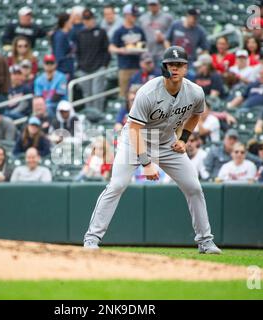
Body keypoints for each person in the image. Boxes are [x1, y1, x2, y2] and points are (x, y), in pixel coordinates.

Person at [83, 46, 222, 254]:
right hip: (134, 141)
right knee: (117, 185)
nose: (175, 68)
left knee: (193, 187)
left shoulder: (195, 91)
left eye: (180, 65)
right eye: (171, 64)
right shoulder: (147, 92)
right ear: (164, 67)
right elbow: (134, 130)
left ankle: (206, 241)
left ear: (186, 68)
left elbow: (196, 115)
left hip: (167, 142)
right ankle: (91, 239)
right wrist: (147, 163)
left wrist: (184, 139)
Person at [76, 9, 110, 111]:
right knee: (87, 95)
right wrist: (80, 65)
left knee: (97, 94)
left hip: (98, 67)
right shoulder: (80, 33)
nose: (88, 21)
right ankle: (89, 117)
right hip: (84, 69)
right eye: (86, 19)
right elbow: (77, 51)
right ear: (83, 21)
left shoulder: (101, 32)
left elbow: (106, 50)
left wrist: (104, 65)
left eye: (90, 19)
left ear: (93, 19)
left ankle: (98, 116)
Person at [110, 4, 146, 97]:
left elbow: (144, 45)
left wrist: (140, 48)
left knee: (138, 94)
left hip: (138, 66)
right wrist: (120, 50)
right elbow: (111, 47)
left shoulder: (139, 30)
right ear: (126, 15)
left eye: (135, 15)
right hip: (124, 66)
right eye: (133, 15)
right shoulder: (119, 31)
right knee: (124, 94)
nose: (135, 17)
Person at [34, 54, 68, 119]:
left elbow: (59, 95)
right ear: (43, 65)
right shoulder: (38, 80)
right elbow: (38, 96)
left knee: (48, 108)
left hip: (60, 104)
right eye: (47, 63)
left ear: (55, 64)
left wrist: (45, 105)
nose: (49, 65)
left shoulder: (61, 77)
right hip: (45, 106)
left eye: (51, 63)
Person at [51, 13, 75, 80]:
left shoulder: (67, 34)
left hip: (69, 67)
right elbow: (59, 56)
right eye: (71, 21)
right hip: (63, 70)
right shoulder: (60, 36)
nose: (72, 23)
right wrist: (64, 71)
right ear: (66, 23)